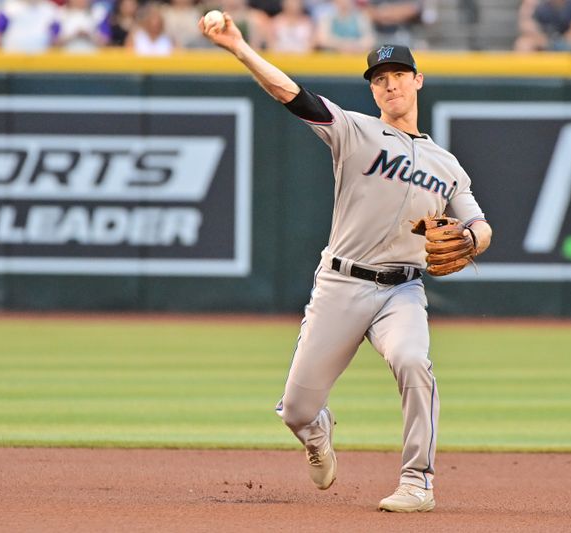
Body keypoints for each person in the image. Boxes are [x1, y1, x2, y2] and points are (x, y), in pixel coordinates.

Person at [199, 15, 492, 513]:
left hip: (401, 290)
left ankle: (418, 481)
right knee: (296, 410)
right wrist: (240, 49)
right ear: (374, 92)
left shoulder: (448, 165)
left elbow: (481, 227)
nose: (389, 83)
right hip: (341, 283)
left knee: (412, 361)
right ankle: (318, 433)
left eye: (398, 74)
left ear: (417, 80)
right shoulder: (355, 132)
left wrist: (468, 237)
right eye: (380, 79)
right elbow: (291, 94)